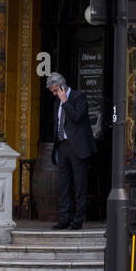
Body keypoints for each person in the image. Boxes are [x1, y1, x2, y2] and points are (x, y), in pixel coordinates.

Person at [47, 71, 95, 230]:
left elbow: (76, 117)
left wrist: (65, 101)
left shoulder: (78, 97)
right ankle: (64, 218)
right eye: (52, 92)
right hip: (63, 145)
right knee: (63, 184)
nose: (54, 94)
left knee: (80, 184)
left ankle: (78, 220)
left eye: (55, 91)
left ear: (62, 87)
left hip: (78, 147)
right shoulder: (56, 102)